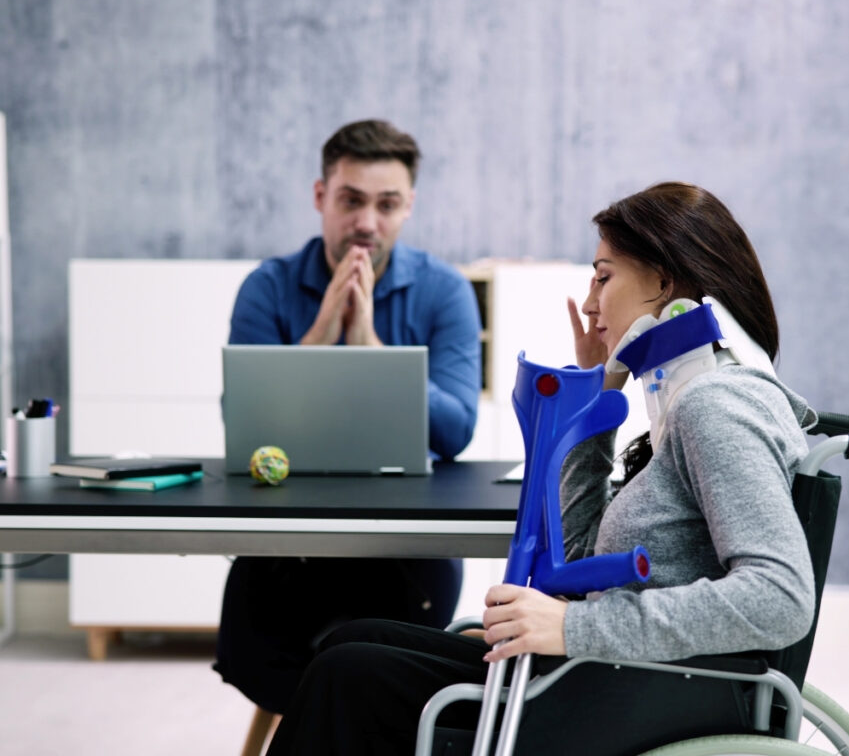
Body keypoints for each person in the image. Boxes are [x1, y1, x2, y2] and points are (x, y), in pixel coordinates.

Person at [264, 181, 817, 755]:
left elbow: (780, 596)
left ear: (662, 281)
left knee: (348, 675)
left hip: (640, 689)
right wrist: (599, 386)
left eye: (603, 276)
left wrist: (570, 629)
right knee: (353, 641)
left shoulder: (717, 404)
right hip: (610, 672)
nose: (590, 302)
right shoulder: (687, 400)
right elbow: (578, 559)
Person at [214, 120, 482, 717]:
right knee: (295, 669)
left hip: (406, 552)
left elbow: (457, 430)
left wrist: (370, 350)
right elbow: (245, 427)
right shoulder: (268, 286)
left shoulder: (444, 291)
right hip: (287, 550)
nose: (367, 221)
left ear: (408, 205)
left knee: (372, 674)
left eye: (386, 204)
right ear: (320, 197)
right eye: (351, 200)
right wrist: (317, 337)